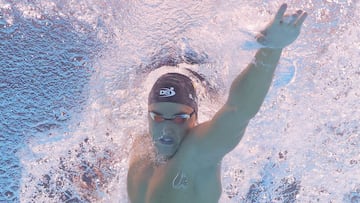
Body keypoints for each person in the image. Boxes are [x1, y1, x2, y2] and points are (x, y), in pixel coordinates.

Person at [127, 3, 307, 203]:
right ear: (148, 116)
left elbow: (238, 111)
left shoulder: (194, 154)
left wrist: (272, 49)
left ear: (194, 119)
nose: (166, 129)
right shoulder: (143, 145)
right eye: (158, 117)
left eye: (178, 119)